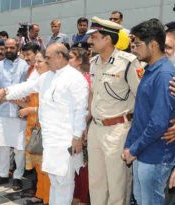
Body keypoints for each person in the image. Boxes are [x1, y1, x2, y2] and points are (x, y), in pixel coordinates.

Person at [0, 43, 88, 205]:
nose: (46, 61)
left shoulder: (75, 78)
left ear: (59, 57)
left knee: (64, 181)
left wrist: (77, 136)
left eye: (48, 58)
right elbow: (26, 87)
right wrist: (6, 92)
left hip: (66, 139)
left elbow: (81, 110)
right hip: (49, 139)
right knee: (54, 179)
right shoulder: (47, 77)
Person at [86, 16, 141, 205]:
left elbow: (141, 98)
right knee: (96, 182)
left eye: (94, 36)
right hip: (96, 128)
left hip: (118, 130)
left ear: (107, 39)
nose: (89, 40)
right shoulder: (93, 62)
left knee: (117, 184)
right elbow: (93, 94)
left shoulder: (128, 62)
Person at [123, 19, 175, 205]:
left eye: (137, 44)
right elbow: (141, 115)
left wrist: (134, 149)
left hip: (155, 155)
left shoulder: (163, 75)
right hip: (143, 152)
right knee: (141, 199)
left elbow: (158, 122)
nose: (134, 49)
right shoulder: (152, 70)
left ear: (153, 45)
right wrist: (130, 146)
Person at [0, 38, 28, 191]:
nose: (9, 50)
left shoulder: (25, 65)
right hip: (1, 111)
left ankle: (17, 176)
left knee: (19, 147)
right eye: (7, 48)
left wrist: (6, 95)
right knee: (3, 145)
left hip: (19, 112)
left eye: (12, 47)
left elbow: (26, 86)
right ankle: (3, 174)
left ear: (17, 48)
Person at [20, 43, 51, 205]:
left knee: (46, 166)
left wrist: (30, 109)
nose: (36, 65)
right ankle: (40, 193)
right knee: (38, 165)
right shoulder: (36, 76)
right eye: (36, 62)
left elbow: (52, 107)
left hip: (44, 128)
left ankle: (48, 198)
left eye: (40, 62)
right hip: (33, 127)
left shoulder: (53, 80)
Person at [69, 44, 91, 205]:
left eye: (70, 57)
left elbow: (88, 107)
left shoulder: (86, 79)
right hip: (72, 127)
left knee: (82, 166)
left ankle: (82, 199)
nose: (66, 60)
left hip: (84, 128)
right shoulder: (70, 78)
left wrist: (82, 128)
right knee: (73, 165)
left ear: (79, 61)